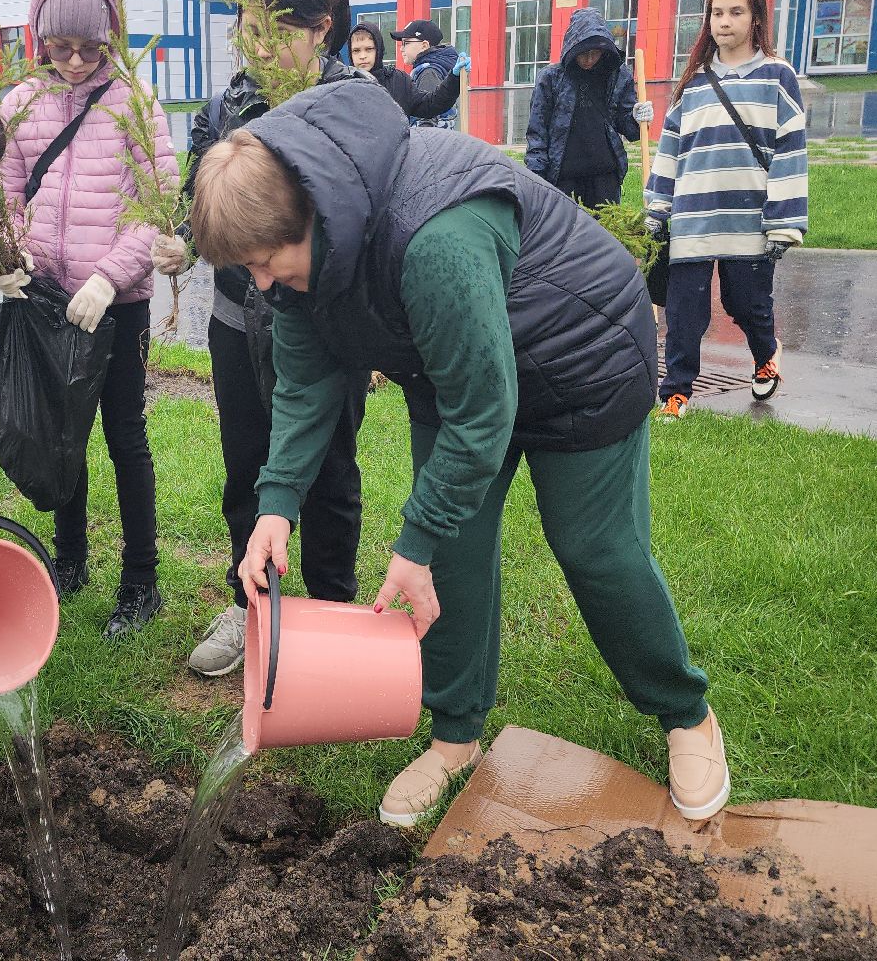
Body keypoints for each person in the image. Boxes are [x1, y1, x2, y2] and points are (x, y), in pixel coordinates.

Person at [194, 78, 726, 828]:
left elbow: (484, 413)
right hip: (459, 368)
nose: (260, 281)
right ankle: (454, 740)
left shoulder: (434, 236)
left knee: (594, 547)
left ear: (312, 216)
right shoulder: (312, 252)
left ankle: (685, 714)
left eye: (265, 260)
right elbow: (306, 381)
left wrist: (412, 541)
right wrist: (276, 504)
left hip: (582, 357)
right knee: (453, 558)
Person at [171, 0, 371, 678]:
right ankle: (251, 602)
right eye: (246, 31)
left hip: (324, 321)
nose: (257, 48)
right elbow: (196, 200)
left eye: (273, 32)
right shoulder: (227, 108)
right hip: (236, 315)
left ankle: (333, 610)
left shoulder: (352, 103)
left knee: (328, 467)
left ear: (320, 30)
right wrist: (180, 232)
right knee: (247, 462)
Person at [0, 0, 178, 638]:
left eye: (89, 48)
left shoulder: (136, 105)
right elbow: (6, 192)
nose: (74, 62)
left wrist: (110, 275)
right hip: (43, 303)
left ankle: (142, 581)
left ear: (113, 38)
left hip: (115, 304)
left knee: (124, 437)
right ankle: (69, 561)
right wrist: (8, 257)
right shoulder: (21, 104)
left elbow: (155, 207)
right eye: (61, 47)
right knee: (59, 431)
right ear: (39, 35)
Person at [645, 0, 806, 420]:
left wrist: (784, 222)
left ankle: (765, 354)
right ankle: (676, 391)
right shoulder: (694, 81)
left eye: (736, 12)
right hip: (693, 221)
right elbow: (669, 146)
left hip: (748, 222)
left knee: (748, 306)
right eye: (717, 13)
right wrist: (657, 207)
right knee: (683, 315)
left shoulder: (778, 77)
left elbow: (791, 151)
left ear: (756, 18)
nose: (724, 22)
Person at [525, 7, 651, 208]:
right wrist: (535, 177)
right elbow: (537, 133)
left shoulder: (618, 75)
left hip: (604, 178)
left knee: (604, 235)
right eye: (584, 53)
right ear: (572, 49)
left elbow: (631, 130)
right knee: (563, 236)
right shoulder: (550, 78)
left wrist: (637, 117)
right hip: (563, 178)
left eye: (596, 53)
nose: (590, 59)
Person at [351, 19, 461, 126]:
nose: (362, 56)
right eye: (356, 50)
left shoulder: (398, 81)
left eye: (369, 49)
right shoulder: (343, 83)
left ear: (378, 49)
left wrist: (454, 79)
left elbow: (430, 105)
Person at [389, 19, 465, 129]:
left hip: (430, 142)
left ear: (424, 45)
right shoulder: (435, 67)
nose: (401, 49)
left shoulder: (428, 73)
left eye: (406, 43)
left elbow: (426, 122)